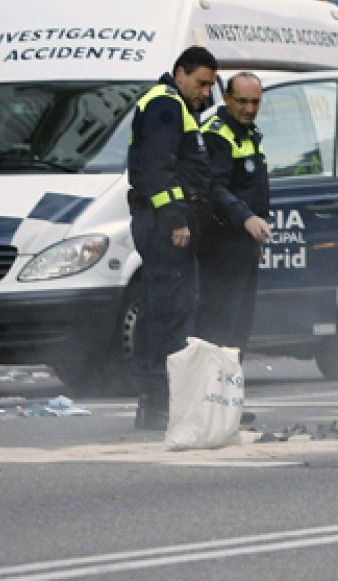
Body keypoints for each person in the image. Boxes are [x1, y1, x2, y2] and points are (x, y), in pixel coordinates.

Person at [127, 45, 218, 431]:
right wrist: (177, 220)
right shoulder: (165, 104)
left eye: (210, 85)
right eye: (200, 83)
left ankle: (165, 401)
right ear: (180, 72)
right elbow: (158, 172)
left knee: (173, 311)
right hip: (164, 226)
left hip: (166, 224)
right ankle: (154, 402)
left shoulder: (176, 105)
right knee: (164, 313)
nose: (204, 93)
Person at [195, 72, 273, 351]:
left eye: (255, 102)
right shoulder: (217, 134)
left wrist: (258, 229)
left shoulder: (249, 133)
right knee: (220, 325)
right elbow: (214, 188)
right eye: (242, 101)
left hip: (244, 244)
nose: (249, 109)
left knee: (240, 324)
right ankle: (214, 389)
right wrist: (246, 218)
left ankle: (229, 386)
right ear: (227, 98)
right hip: (221, 245)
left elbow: (254, 187)